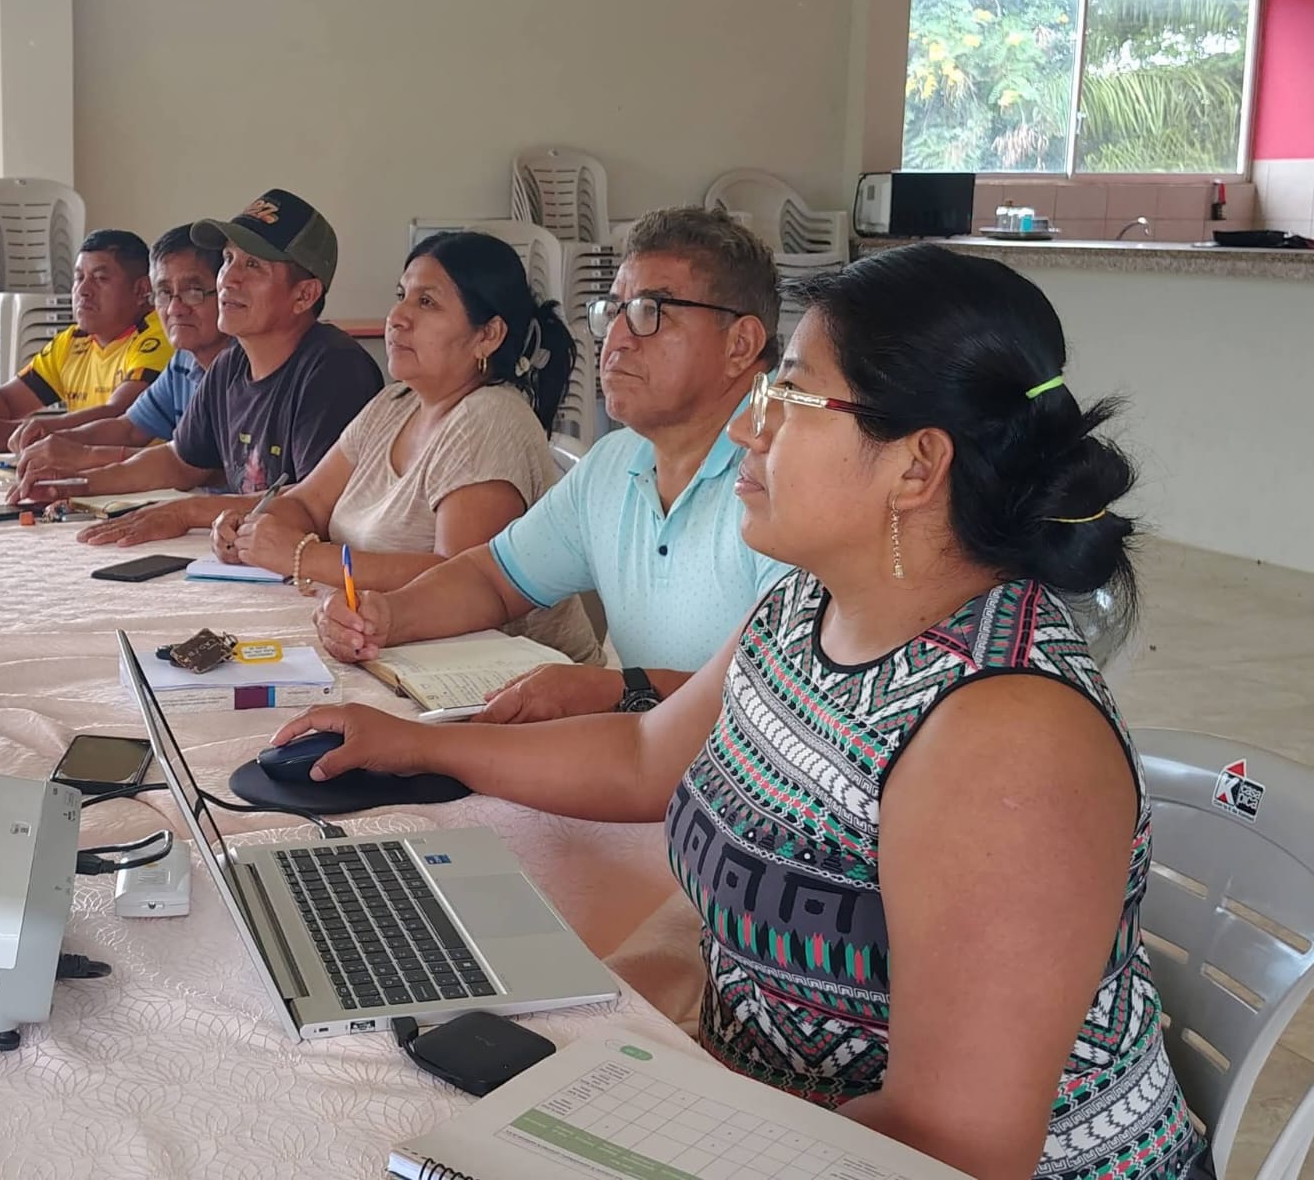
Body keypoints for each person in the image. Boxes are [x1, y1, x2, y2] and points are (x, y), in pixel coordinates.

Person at [273, 244, 1209, 1180]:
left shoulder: (1007, 736)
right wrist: (421, 744)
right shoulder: (808, 604)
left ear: (917, 465)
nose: (747, 429)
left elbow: (953, 1145)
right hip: (756, 1115)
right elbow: (646, 755)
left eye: (791, 397)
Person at [315, 206, 790, 723]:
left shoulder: (787, 472)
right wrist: (387, 615)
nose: (616, 339)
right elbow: (494, 578)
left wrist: (619, 691)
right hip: (645, 748)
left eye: (650, 312)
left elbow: (788, 699)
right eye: (614, 311)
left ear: (740, 345)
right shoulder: (616, 461)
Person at [214, 230, 600, 663]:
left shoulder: (490, 418)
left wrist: (303, 556)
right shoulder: (394, 404)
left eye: (427, 302)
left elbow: (458, 580)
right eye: (402, 296)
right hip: (396, 649)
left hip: (509, 675)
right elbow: (308, 502)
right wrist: (254, 529)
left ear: (488, 335)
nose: (397, 316)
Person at [22, 190, 384, 548]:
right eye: (228, 258)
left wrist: (186, 512)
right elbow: (180, 461)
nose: (228, 279)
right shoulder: (230, 364)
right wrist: (77, 485)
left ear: (304, 295)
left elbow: (312, 502)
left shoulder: (334, 369)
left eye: (253, 265)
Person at [8, 225, 231, 486]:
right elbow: (130, 428)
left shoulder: (244, 367)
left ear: (227, 293)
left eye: (193, 292)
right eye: (164, 293)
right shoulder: (183, 361)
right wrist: (55, 439)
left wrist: (84, 456)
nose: (174, 309)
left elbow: (206, 471)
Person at [0, 229, 172, 455]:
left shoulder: (160, 335)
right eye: (78, 278)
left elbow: (122, 417)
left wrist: (11, 433)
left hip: (145, 478)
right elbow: (8, 401)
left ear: (141, 290)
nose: (83, 290)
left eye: (100, 278)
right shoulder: (72, 342)